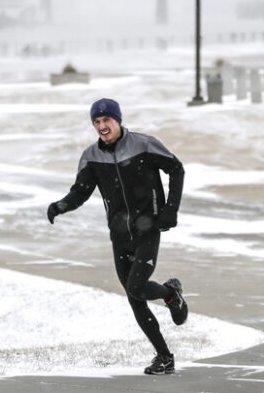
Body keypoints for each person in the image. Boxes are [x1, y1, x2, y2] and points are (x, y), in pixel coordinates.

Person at [47, 98, 188, 375]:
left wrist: (170, 210)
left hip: (147, 229)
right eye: (96, 122)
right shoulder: (91, 156)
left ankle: (171, 295)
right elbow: (81, 191)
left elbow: (176, 169)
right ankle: (164, 356)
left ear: (118, 120)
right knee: (134, 296)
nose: (102, 126)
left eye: (106, 120)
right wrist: (61, 205)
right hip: (119, 234)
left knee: (136, 287)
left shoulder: (144, 145)